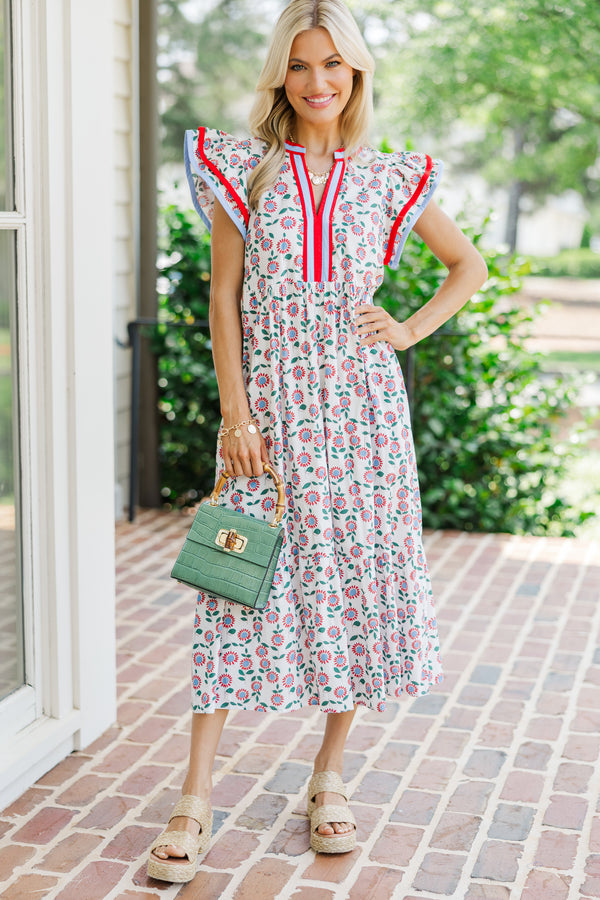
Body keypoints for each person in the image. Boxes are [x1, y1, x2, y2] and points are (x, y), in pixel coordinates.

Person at [147, 0, 488, 883]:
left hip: (364, 418)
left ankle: (329, 776)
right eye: (299, 65)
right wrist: (236, 416)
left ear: (357, 73)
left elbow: (469, 266)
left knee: (357, 588)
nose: (317, 81)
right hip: (265, 420)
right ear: (281, 76)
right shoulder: (243, 169)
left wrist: (407, 330)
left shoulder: (389, 179)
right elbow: (224, 300)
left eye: (333, 63)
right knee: (230, 588)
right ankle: (194, 796)